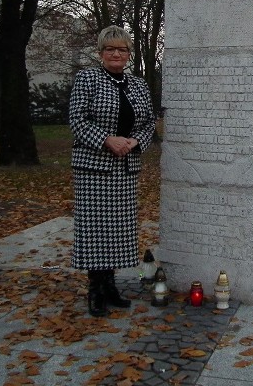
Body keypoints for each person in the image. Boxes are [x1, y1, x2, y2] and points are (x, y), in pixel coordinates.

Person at [69, 25, 155, 317]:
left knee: (118, 231)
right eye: (110, 49)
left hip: (125, 167)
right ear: (101, 53)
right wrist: (106, 140)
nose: (116, 54)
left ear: (129, 54)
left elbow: (149, 124)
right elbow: (77, 121)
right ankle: (95, 289)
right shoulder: (88, 79)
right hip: (95, 167)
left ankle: (110, 285)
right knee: (95, 230)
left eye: (122, 49)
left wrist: (135, 141)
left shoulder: (138, 84)